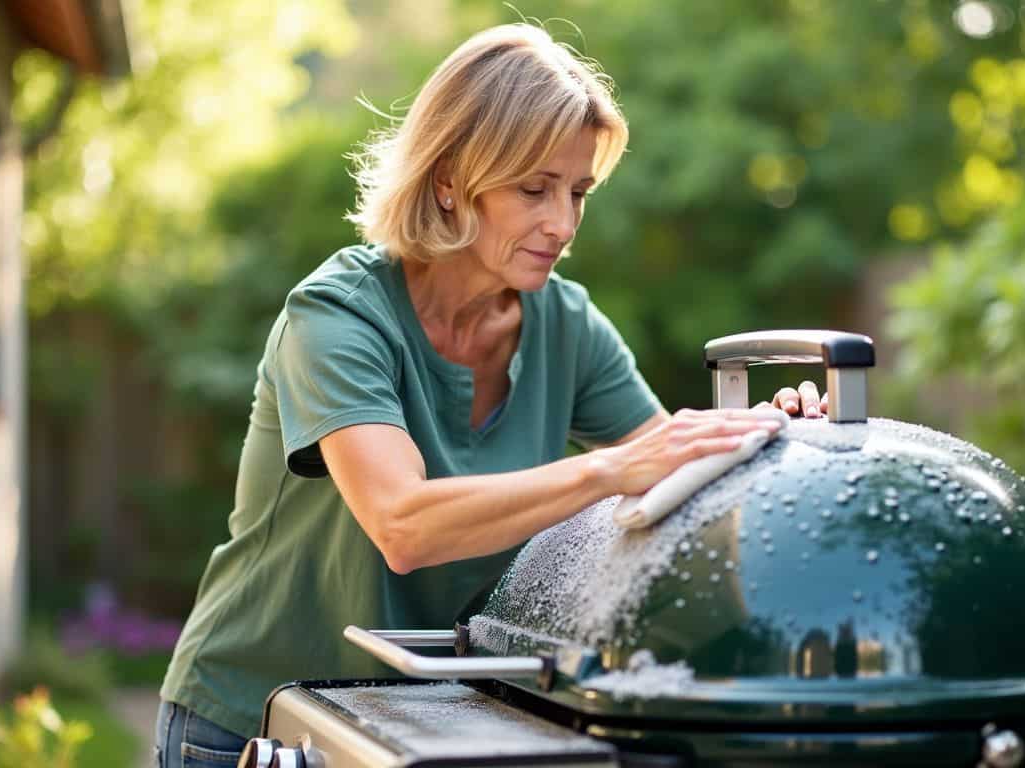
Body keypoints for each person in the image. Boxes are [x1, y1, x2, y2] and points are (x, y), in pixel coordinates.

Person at [153, 23, 825, 768]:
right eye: (534, 189)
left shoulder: (565, 324)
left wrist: (772, 445)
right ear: (449, 180)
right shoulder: (338, 316)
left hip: (425, 720)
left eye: (578, 192)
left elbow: (671, 478)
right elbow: (404, 526)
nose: (563, 223)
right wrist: (607, 471)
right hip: (257, 721)